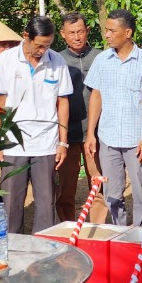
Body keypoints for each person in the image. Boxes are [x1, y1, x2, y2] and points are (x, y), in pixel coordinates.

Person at [0, 16, 72, 233]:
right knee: (11, 203)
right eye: (39, 45)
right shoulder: (6, 60)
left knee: (46, 203)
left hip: (46, 142)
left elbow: (63, 102)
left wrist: (63, 142)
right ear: (26, 36)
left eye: (48, 45)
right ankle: (11, 246)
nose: (43, 51)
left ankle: (43, 248)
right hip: (13, 143)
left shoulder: (57, 61)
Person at [84, 9, 142, 226]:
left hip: (136, 140)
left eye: (112, 30)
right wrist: (91, 134)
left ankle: (140, 232)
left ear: (128, 33)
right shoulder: (102, 60)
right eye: (106, 30)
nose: (106, 34)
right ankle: (120, 231)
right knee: (112, 192)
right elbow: (96, 97)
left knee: (140, 192)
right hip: (108, 138)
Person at [56, 12, 105, 223]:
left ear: (87, 31)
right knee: (65, 188)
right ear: (63, 34)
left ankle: (98, 228)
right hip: (67, 134)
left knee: (98, 183)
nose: (76, 37)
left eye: (80, 31)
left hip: (96, 133)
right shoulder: (56, 60)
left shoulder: (101, 57)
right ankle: (66, 226)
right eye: (71, 33)